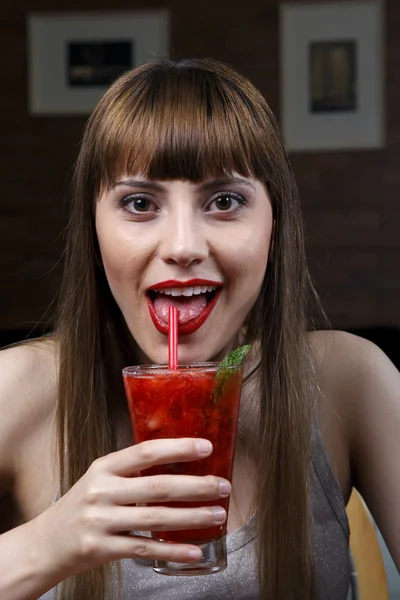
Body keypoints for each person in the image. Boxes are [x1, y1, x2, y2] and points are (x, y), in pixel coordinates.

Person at [0, 57, 399, 600]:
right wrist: (42, 546)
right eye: (140, 203)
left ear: (273, 226)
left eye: (225, 201)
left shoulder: (347, 380)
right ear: (93, 230)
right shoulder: (16, 390)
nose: (183, 246)